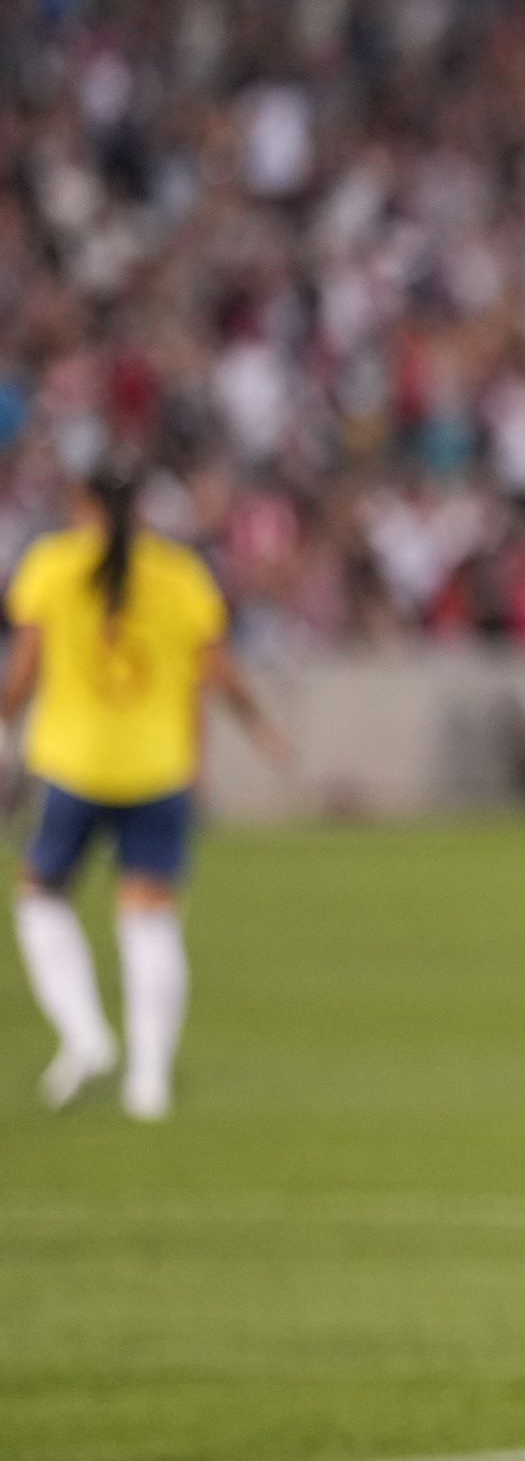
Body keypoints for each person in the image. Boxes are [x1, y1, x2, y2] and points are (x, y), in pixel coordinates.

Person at [8, 462, 291, 1120]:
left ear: (82, 501)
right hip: (159, 766)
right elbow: (219, 671)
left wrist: (7, 719)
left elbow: (21, 676)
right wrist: (263, 730)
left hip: (74, 762)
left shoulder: (51, 565)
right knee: (150, 918)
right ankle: (150, 1079)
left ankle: (85, 1033)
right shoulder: (180, 573)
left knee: (41, 895)